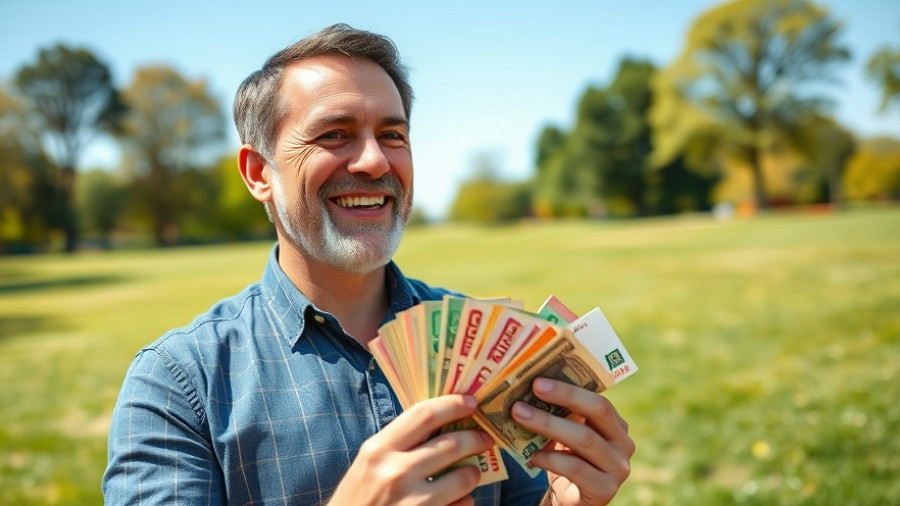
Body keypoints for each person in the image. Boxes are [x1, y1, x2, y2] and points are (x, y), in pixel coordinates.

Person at [102, 23, 634, 505]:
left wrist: (566, 504)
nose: (376, 160)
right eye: (334, 134)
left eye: (392, 134)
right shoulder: (176, 385)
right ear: (259, 172)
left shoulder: (488, 340)